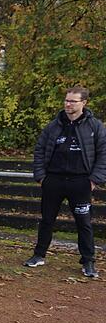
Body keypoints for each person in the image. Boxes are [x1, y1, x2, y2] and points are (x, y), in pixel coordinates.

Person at [24, 86, 105, 278]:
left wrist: (93, 180)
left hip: (81, 182)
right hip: (53, 180)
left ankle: (88, 261)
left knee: (84, 222)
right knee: (46, 220)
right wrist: (41, 177)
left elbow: (103, 153)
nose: (68, 104)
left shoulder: (94, 126)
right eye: (66, 100)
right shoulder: (54, 126)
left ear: (83, 103)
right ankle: (38, 255)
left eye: (73, 101)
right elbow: (39, 150)